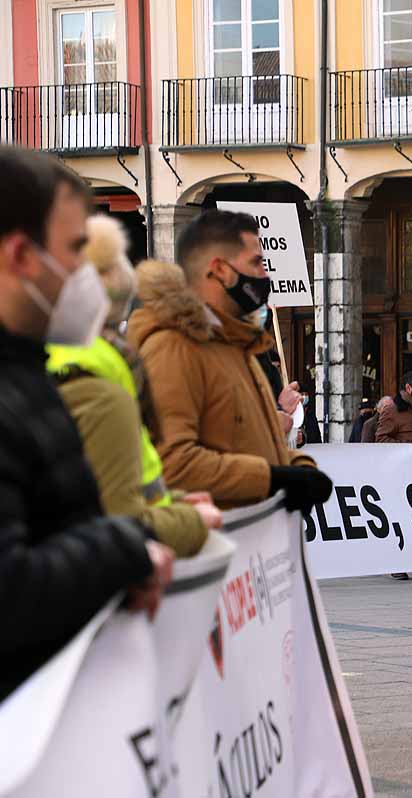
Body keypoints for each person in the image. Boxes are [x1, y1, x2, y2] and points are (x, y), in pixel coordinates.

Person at [0, 147, 173, 700]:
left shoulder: (29, 373)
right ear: (22, 255)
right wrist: (126, 549)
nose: (87, 277)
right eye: (75, 250)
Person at [127, 209, 332, 513]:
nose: (265, 274)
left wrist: (299, 467)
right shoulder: (173, 347)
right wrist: (273, 478)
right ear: (220, 270)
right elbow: (173, 464)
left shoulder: (237, 347)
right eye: (256, 263)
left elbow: (248, 444)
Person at [46, 214, 219, 556]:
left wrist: (173, 500)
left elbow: (118, 483)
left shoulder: (82, 362)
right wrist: (192, 520)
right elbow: (120, 524)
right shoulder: (95, 380)